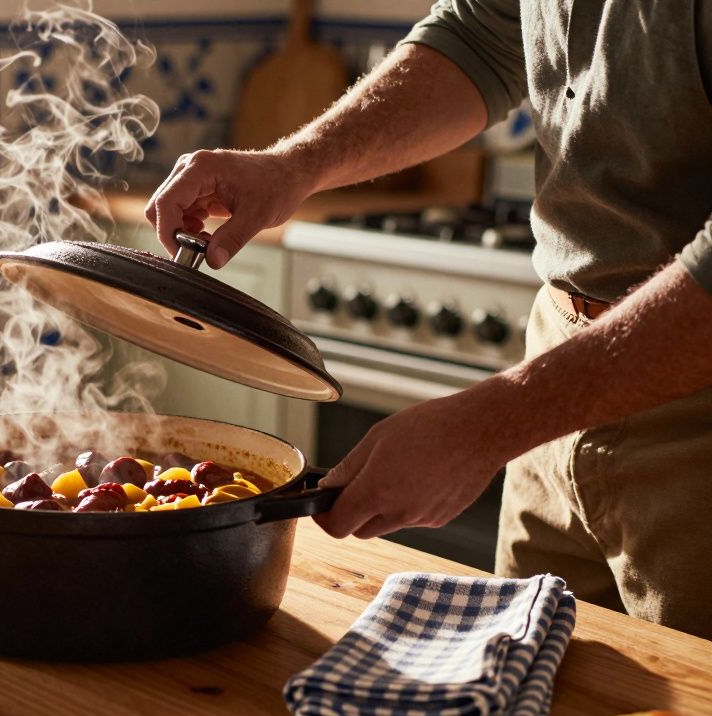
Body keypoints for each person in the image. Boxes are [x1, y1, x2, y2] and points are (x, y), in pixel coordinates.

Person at [145, 1, 712, 639]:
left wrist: (489, 424)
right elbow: (478, 39)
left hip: (694, 416)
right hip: (556, 362)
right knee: (527, 680)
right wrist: (294, 165)